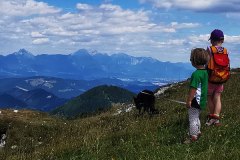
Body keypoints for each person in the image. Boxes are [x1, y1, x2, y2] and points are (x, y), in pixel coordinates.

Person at [184, 48, 209, 143]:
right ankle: (198, 132)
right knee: (197, 116)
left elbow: (193, 89)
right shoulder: (205, 72)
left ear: (194, 61)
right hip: (202, 100)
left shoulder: (196, 74)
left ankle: (193, 136)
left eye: (191, 59)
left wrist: (189, 100)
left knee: (192, 118)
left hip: (195, 101)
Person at [205, 29, 229, 126]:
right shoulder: (225, 51)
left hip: (211, 78)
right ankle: (217, 117)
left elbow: (206, 62)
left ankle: (212, 117)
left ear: (212, 40)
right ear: (222, 40)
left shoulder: (210, 49)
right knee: (217, 97)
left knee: (210, 97)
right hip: (221, 77)